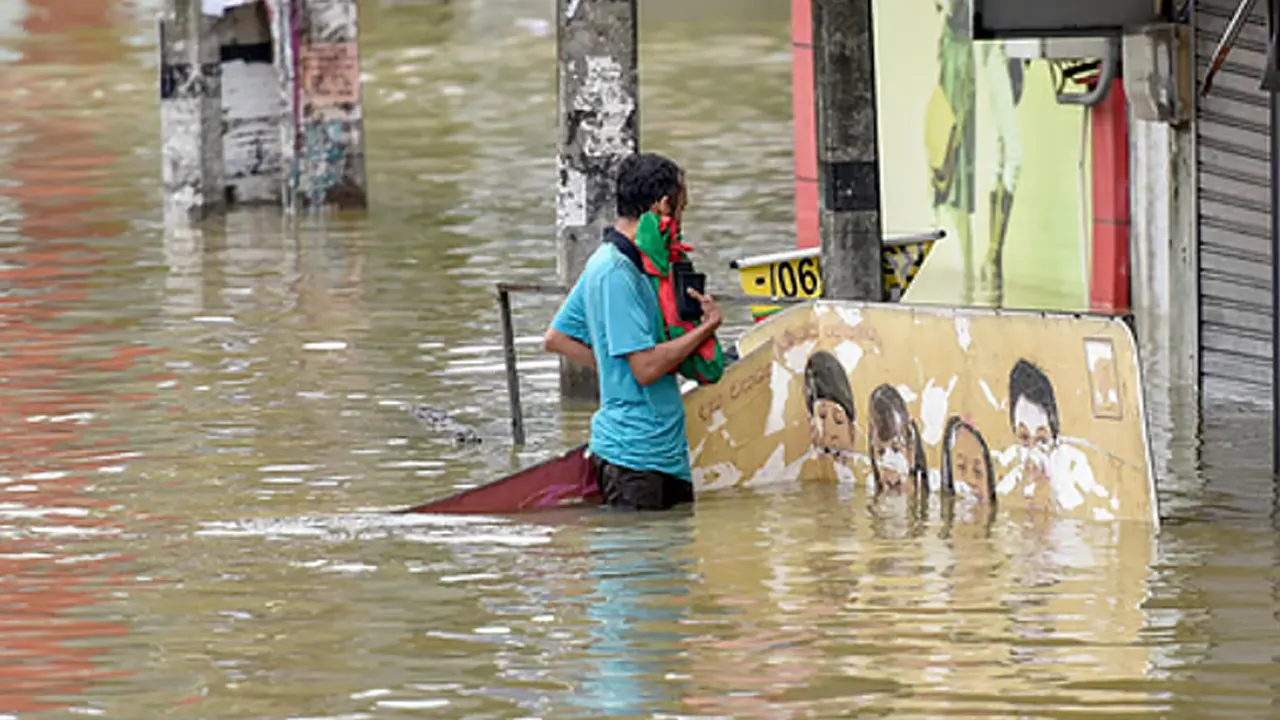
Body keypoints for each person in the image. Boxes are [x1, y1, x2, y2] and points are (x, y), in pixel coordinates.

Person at [543, 153, 722, 512]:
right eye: (682, 207)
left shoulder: (622, 263)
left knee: (673, 561)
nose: (682, 219)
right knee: (641, 563)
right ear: (663, 206)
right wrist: (707, 328)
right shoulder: (616, 272)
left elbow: (557, 337)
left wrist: (614, 369)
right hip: (633, 459)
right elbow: (645, 368)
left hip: (664, 451)